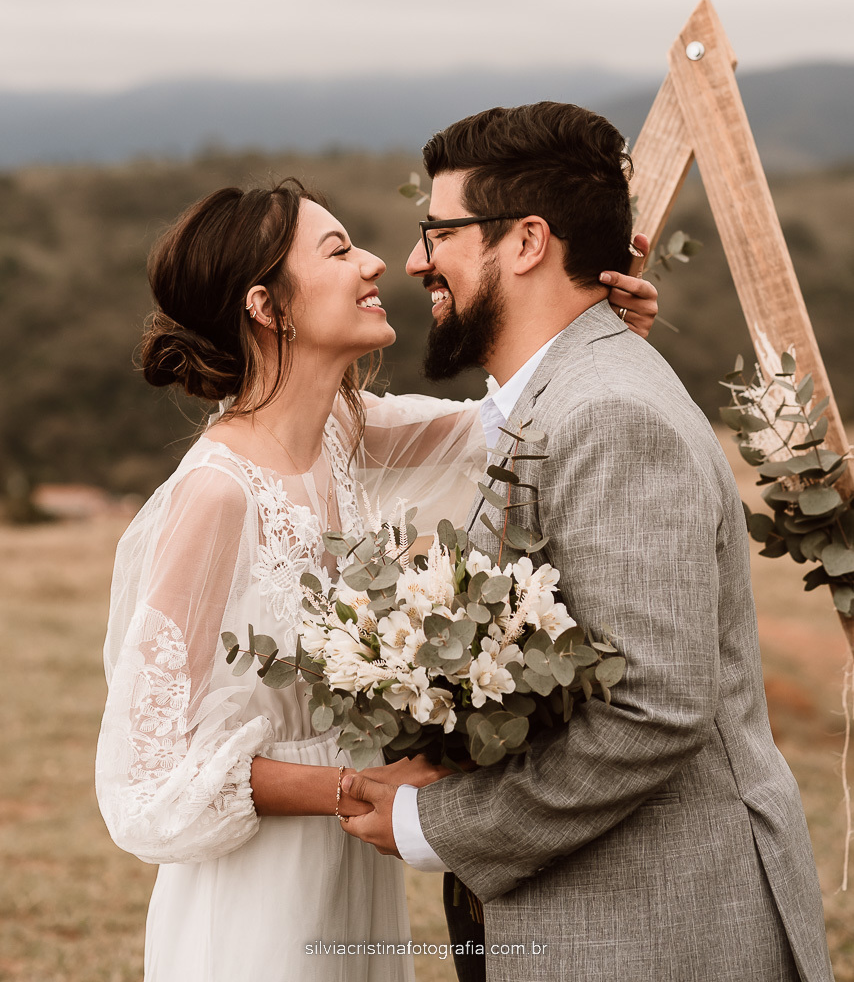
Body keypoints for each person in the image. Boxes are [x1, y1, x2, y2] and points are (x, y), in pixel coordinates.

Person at [94, 175, 658, 982]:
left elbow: (513, 424)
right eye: (338, 250)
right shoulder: (215, 494)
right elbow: (147, 778)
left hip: (354, 857)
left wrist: (598, 325)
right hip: (260, 887)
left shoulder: (345, 433)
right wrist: (363, 786)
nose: (375, 265)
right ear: (267, 305)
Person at [338, 102, 834, 982]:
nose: (417, 259)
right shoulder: (557, 396)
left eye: (438, 230)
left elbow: (655, 707)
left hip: (663, 925)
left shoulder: (605, 413)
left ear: (527, 242)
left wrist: (440, 823)